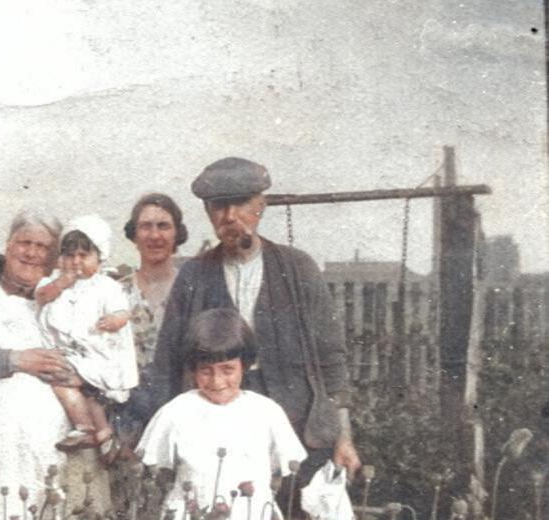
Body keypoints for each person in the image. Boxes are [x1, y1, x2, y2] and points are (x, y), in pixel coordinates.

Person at [152, 157, 361, 480]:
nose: (230, 217)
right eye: (219, 207)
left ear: (261, 206)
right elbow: (167, 361)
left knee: (294, 519)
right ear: (208, 212)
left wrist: (344, 437)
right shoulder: (194, 275)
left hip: (297, 422)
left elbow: (331, 357)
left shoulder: (297, 268)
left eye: (240, 204)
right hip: (215, 415)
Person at [0, 211, 112, 520]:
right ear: (8, 247)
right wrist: (15, 360)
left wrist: (82, 374)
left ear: (56, 258)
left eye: (44, 247)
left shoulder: (73, 304)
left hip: (58, 443)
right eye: (25, 243)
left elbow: (105, 357)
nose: (32, 253)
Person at [137, 308, 305, 520]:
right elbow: (159, 470)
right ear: (193, 369)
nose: (217, 381)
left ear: (245, 365)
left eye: (228, 370)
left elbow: (280, 469)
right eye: (206, 371)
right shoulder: (176, 412)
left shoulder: (266, 412)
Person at [35, 215, 137, 456]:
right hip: (68, 353)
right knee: (64, 385)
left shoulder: (106, 286)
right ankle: (91, 429)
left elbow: (123, 313)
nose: (75, 262)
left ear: (99, 257)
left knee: (85, 388)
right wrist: (61, 283)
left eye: (84, 256)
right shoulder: (54, 281)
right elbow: (41, 297)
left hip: (96, 353)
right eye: (69, 255)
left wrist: (115, 320)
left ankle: (99, 432)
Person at [115, 193, 188, 452]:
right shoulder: (113, 294)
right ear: (134, 234)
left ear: (177, 233)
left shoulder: (192, 290)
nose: (154, 235)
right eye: (146, 226)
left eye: (163, 226)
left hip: (182, 419)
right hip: (126, 424)